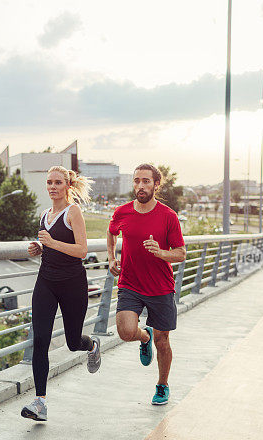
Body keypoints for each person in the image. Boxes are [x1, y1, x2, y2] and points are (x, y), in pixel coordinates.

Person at [21, 166, 101, 422]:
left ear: (67, 185)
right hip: (46, 280)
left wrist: (52, 243)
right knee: (40, 340)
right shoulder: (44, 214)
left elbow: (81, 251)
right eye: (49, 182)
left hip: (72, 283)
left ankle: (92, 345)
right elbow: (50, 248)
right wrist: (39, 249)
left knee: (72, 341)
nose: (53, 187)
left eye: (57, 182)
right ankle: (40, 403)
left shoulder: (73, 212)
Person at [107, 163, 186, 405]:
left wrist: (161, 253)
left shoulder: (168, 216)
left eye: (146, 181)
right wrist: (111, 258)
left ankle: (162, 385)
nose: (140, 186)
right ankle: (143, 338)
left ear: (156, 184)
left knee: (163, 341)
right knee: (125, 332)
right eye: (137, 181)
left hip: (160, 287)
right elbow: (111, 232)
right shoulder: (122, 213)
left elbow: (181, 253)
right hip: (130, 283)